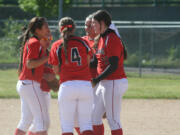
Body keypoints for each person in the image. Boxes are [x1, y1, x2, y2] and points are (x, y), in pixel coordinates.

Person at [48, 17, 94, 135]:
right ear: (74, 29)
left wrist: (66, 72)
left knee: (67, 125)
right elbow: (88, 62)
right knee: (86, 125)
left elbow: (56, 70)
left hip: (67, 86)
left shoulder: (57, 45)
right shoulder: (83, 42)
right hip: (85, 85)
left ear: (60, 29)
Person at [91, 10, 128, 135]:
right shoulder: (102, 38)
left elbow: (113, 66)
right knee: (94, 117)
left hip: (114, 82)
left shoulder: (111, 38)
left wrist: (96, 79)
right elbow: (95, 63)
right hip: (105, 83)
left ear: (103, 23)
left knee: (113, 119)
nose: (93, 26)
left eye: (95, 23)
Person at [15, 17, 51, 135]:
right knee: (42, 121)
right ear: (37, 30)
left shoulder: (36, 42)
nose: (48, 29)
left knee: (26, 121)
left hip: (26, 84)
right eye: (45, 27)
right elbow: (30, 64)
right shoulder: (34, 42)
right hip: (30, 84)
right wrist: (47, 57)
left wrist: (45, 48)